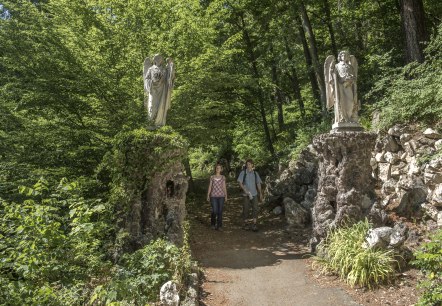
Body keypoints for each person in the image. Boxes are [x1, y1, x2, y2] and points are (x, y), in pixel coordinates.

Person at [237, 159, 263, 232]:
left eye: (250, 164)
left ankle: (254, 224)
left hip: (254, 194)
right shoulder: (243, 173)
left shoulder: (255, 173)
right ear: (246, 165)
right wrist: (245, 190)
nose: (248, 165)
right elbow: (240, 182)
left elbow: (258, 183)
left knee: (255, 208)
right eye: (247, 164)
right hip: (246, 194)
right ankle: (245, 223)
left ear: (252, 165)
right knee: (246, 209)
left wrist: (260, 193)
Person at [206, 163, 228, 230]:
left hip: (221, 196)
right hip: (213, 196)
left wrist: (226, 195)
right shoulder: (212, 177)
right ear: (215, 169)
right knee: (214, 210)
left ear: (221, 169)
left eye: (219, 168)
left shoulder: (223, 177)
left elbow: (224, 187)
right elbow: (210, 186)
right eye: (217, 168)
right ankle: (213, 224)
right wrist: (208, 195)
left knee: (220, 211)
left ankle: (219, 226)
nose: (218, 169)